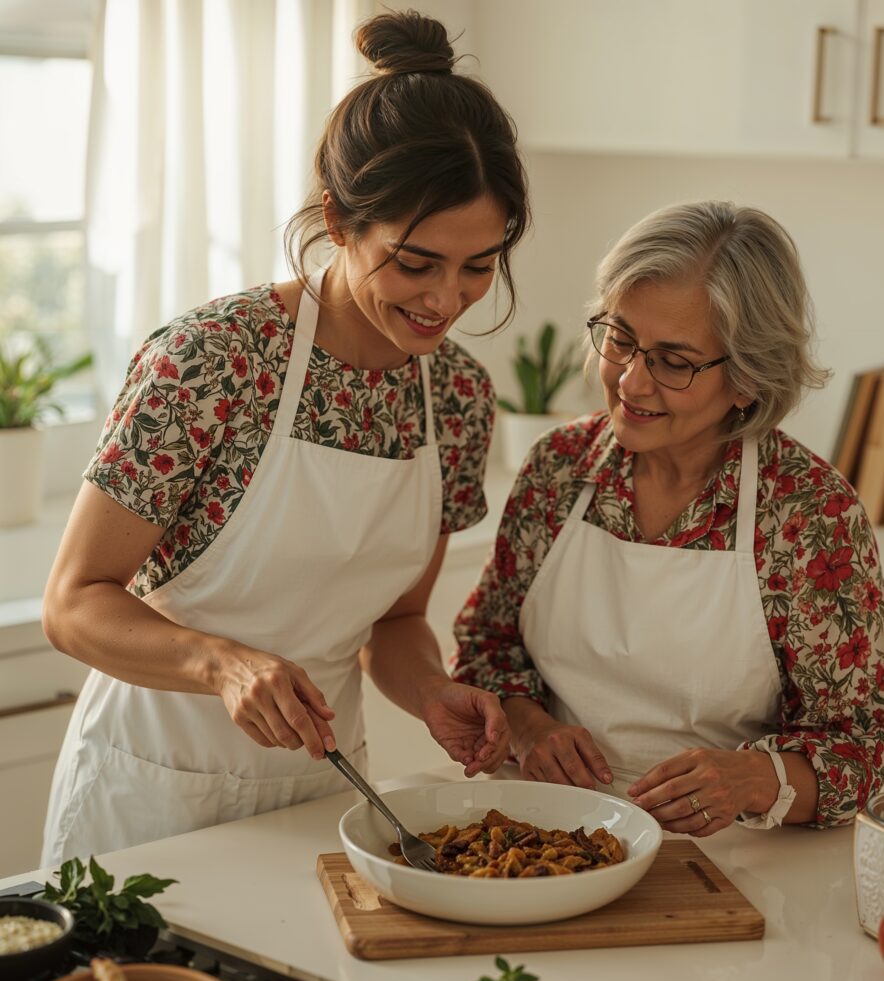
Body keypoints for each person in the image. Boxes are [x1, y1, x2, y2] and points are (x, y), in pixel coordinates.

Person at [40, 10, 529, 864]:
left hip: (325, 793)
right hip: (150, 791)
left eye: (479, 265)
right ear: (338, 221)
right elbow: (73, 603)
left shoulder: (455, 397)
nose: (447, 301)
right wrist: (219, 664)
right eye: (416, 262)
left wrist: (434, 694)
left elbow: (397, 621)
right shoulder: (212, 362)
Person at [451, 201, 884, 833]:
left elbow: (859, 743)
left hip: (731, 857)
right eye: (621, 339)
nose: (632, 382)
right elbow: (488, 645)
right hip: (544, 829)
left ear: (747, 377)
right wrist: (530, 730)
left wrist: (747, 780)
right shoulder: (559, 469)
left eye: (674, 361)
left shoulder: (808, 513)